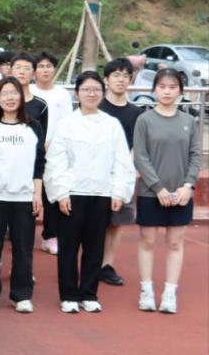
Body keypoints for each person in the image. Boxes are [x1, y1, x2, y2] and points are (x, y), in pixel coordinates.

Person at [44, 71, 134, 314]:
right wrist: (61, 193)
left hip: (101, 194)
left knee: (95, 248)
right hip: (72, 194)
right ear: (77, 93)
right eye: (86, 89)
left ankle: (89, 293)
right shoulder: (67, 124)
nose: (91, 94)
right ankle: (68, 295)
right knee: (69, 247)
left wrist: (119, 192)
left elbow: (122, 161)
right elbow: (56, 162)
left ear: (103, 93)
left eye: (96, 90)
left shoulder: (111, 124)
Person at [133, 68, 201, 314]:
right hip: (151, 193)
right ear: (154, 90)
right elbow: (141, 157)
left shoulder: (189, 122)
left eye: (172, 87)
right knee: (148, 241)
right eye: (162, 87)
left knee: (174, 242)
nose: (167, 92)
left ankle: (170, 293)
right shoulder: (145, 120)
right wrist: (158, 188)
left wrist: (188, 185)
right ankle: (146, 291)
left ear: (180, 91)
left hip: (181, 193)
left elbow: (195, 155)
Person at [0, 77, 45, 313]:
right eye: (4, 93)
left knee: (23, 249)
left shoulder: (33, 127)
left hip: (24, 198)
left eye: (14, 93)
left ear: (21, 97)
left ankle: (21, 295)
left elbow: (39, 164)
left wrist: (37, 194)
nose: (10, 98)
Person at [98, 58, 143, 286]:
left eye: (126, 75)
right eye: (116, 75)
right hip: (96, 173)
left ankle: (106, 265)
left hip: (122, 174)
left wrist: (128, 170)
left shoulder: (136, 112)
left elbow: (137, 145)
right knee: (93, 221)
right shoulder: (96, 107)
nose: (121, 79)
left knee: (115, 223)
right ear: (106, 79)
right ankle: (90, 262)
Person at [30, 51, 74, 255]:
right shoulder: (28, 91)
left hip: (55, 151)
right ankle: (23, 235)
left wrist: (54, 145)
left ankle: (50, 236)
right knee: (30, 193)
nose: (45, 70)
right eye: (41, 66)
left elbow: (67, 123)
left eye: (48, 66)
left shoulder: (62, 94)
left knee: (52, 194)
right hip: (30, 151)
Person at [9, 53, 49, 136]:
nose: (21, 72)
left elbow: (42, 137)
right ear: (11, 71)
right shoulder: (1, 101)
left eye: (27, 68)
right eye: (18, 67)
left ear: (34, 74)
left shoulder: (41, 105)